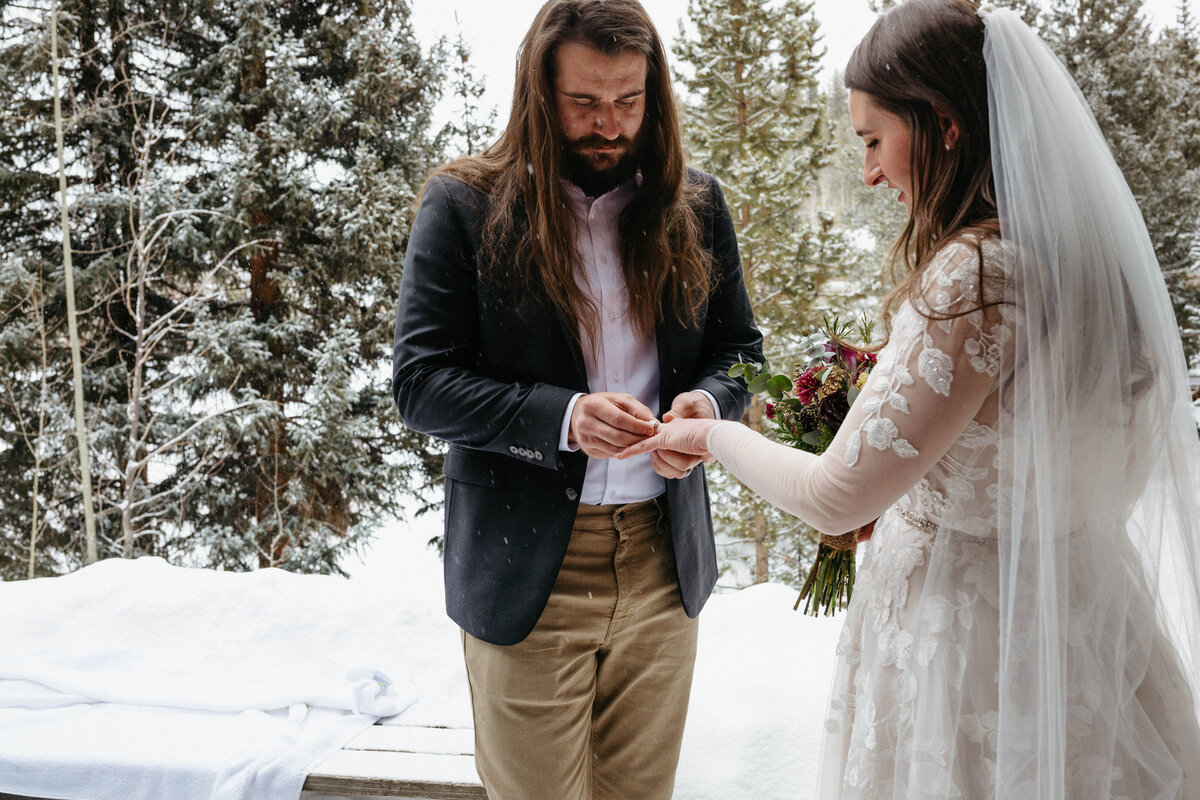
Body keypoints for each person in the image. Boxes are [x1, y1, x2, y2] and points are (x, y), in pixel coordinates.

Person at [620, 1, 1200, 797]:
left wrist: (710, 434)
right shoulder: (1089, 273)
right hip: (1083, 633)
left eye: (873, 140)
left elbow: (834, 497)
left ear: (944, 125)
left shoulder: (980, 277)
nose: (868, 172)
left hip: (966, 657)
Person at [391, 1, 762, 797]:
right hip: (530, 573)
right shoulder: (463, 204)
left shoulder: (696, 203)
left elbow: (743, 356)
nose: (609, 124)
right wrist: (561, 418)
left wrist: (707, 404)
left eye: (629, 101)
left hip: (666, 566)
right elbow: (420, 385)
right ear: (538, 93)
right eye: (584, 103)